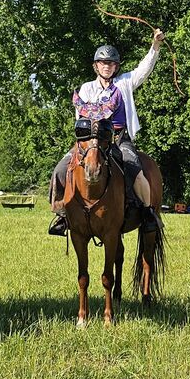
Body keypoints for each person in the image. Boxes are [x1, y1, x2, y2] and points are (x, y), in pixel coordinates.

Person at [48, 28, 165, 236]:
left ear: (116, 66)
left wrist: (155, 45)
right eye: (103, 63)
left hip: (120, 139)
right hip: (91, 141)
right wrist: (88, 142)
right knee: (60, 169)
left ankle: (148, 214)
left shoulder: (125, 83)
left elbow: (144, 69)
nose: (107, 67)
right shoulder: (86, 89)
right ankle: (62, 214)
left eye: (111, 63)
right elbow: (81, 120)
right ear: (96, 66)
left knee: (136, 171)